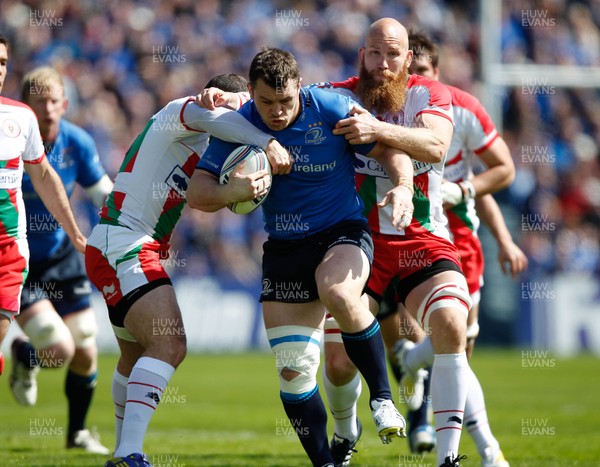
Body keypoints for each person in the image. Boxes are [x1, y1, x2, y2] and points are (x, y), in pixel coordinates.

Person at [192, 47, 413, 467]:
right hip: (284, 249)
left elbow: (387, 147)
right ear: (252, 95)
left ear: (300, 88)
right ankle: (326, 462)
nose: (277, 112)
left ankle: (383, 400)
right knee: (293, 372)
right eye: (266, 102)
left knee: (339, 292)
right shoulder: (238, 125)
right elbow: (198, 193)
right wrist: (229, 193)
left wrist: (403, 185)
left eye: (286, 101)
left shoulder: (330, 107)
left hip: (341, 232)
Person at [313, 18, 500, 467]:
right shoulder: (335, 96)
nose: (383, 64)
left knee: (453, 325)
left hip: (423, 239)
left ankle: (448, 458)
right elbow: (277, 105)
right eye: (374, 53)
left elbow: (436, 147)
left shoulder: (431, 94)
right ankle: (345, 433)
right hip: (359, 244)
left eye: (392, 54)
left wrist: (376, 130)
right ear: (362, 55)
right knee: (338, 364)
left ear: (408, 59)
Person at [85, 72, 292, 467]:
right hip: (125, 242)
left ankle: (122, 452)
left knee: (135, 357)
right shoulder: (181, 111)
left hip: (122, 244)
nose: (247, 117)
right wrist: (266, 139)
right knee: (170, 344)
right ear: (220, 100)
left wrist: (235, 191)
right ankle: (129, 453)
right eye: (243, 106)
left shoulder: (206, 147)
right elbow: (221, 119)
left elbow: (202, 200)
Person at [377, 30, 527, 466]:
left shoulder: (461, 109)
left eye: (423, 72)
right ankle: (485, 451)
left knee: (458, 345)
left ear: (435, 74)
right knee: (445, 339)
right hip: (403, 231)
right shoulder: (386, 106)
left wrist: (468, 197)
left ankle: (412, 364)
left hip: (458, 234)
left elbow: (502, 172)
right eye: (411, 72)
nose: (416, 81)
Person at [7, 66, 113, 454]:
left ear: (65, 104)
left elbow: (103, 192)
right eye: (40, 102)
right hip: (22, 261)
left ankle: (77, 434)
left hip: (64, 255)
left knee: (85, 344)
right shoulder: (11, 138)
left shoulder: (77, 141)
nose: (48, 109)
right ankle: (26, 353)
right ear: (25, 107)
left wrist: (125, 221)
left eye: (55, 101)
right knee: (60, 349)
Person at [0, 35, 86, 376]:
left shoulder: (20, 117)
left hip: (8, 253)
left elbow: (44, 177)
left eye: (3, 62)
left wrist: (76, 234)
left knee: (68, 345)